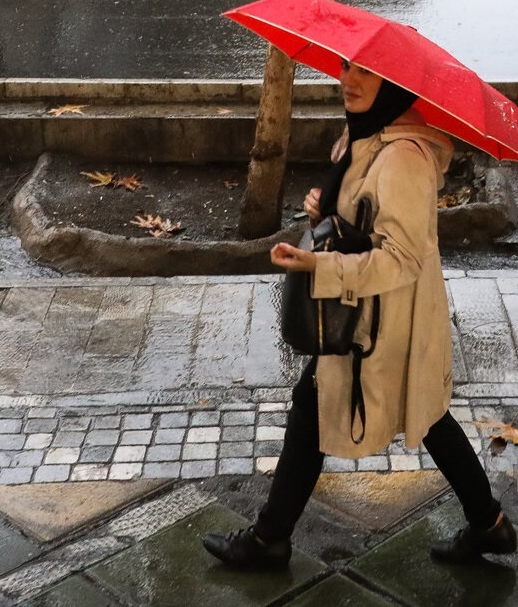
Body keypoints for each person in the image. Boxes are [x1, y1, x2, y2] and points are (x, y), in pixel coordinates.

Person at [203, 59, 516, 569]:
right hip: (374, 313)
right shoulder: (365, 139)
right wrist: (324, 216)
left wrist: (317, 264)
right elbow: (366, 222)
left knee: (328, 407)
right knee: (422, 414)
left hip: (386, 320)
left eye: (367, 73)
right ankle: (490, 525)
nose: (348, 80)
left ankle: (267, 541)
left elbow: (403, 257)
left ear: (393, 83)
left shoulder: (403, 159)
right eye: (347, 67)